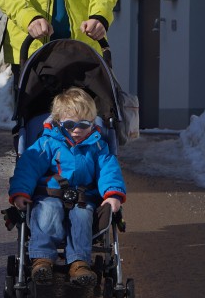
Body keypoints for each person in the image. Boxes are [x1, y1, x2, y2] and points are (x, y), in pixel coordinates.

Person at [7, 87, 126, 287]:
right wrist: (21, 192)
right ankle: (42, 260)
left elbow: (109, 170)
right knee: (48, 210)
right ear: (59, 122)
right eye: (70, 125)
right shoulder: (48, 143)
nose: (77, 130)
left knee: (82, 215)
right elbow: (28, 166)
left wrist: (112, 194)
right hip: (50, 194)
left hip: (83, 197)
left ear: (93, 122)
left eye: (84, 124)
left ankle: (79, 263)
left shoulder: (98, 147)